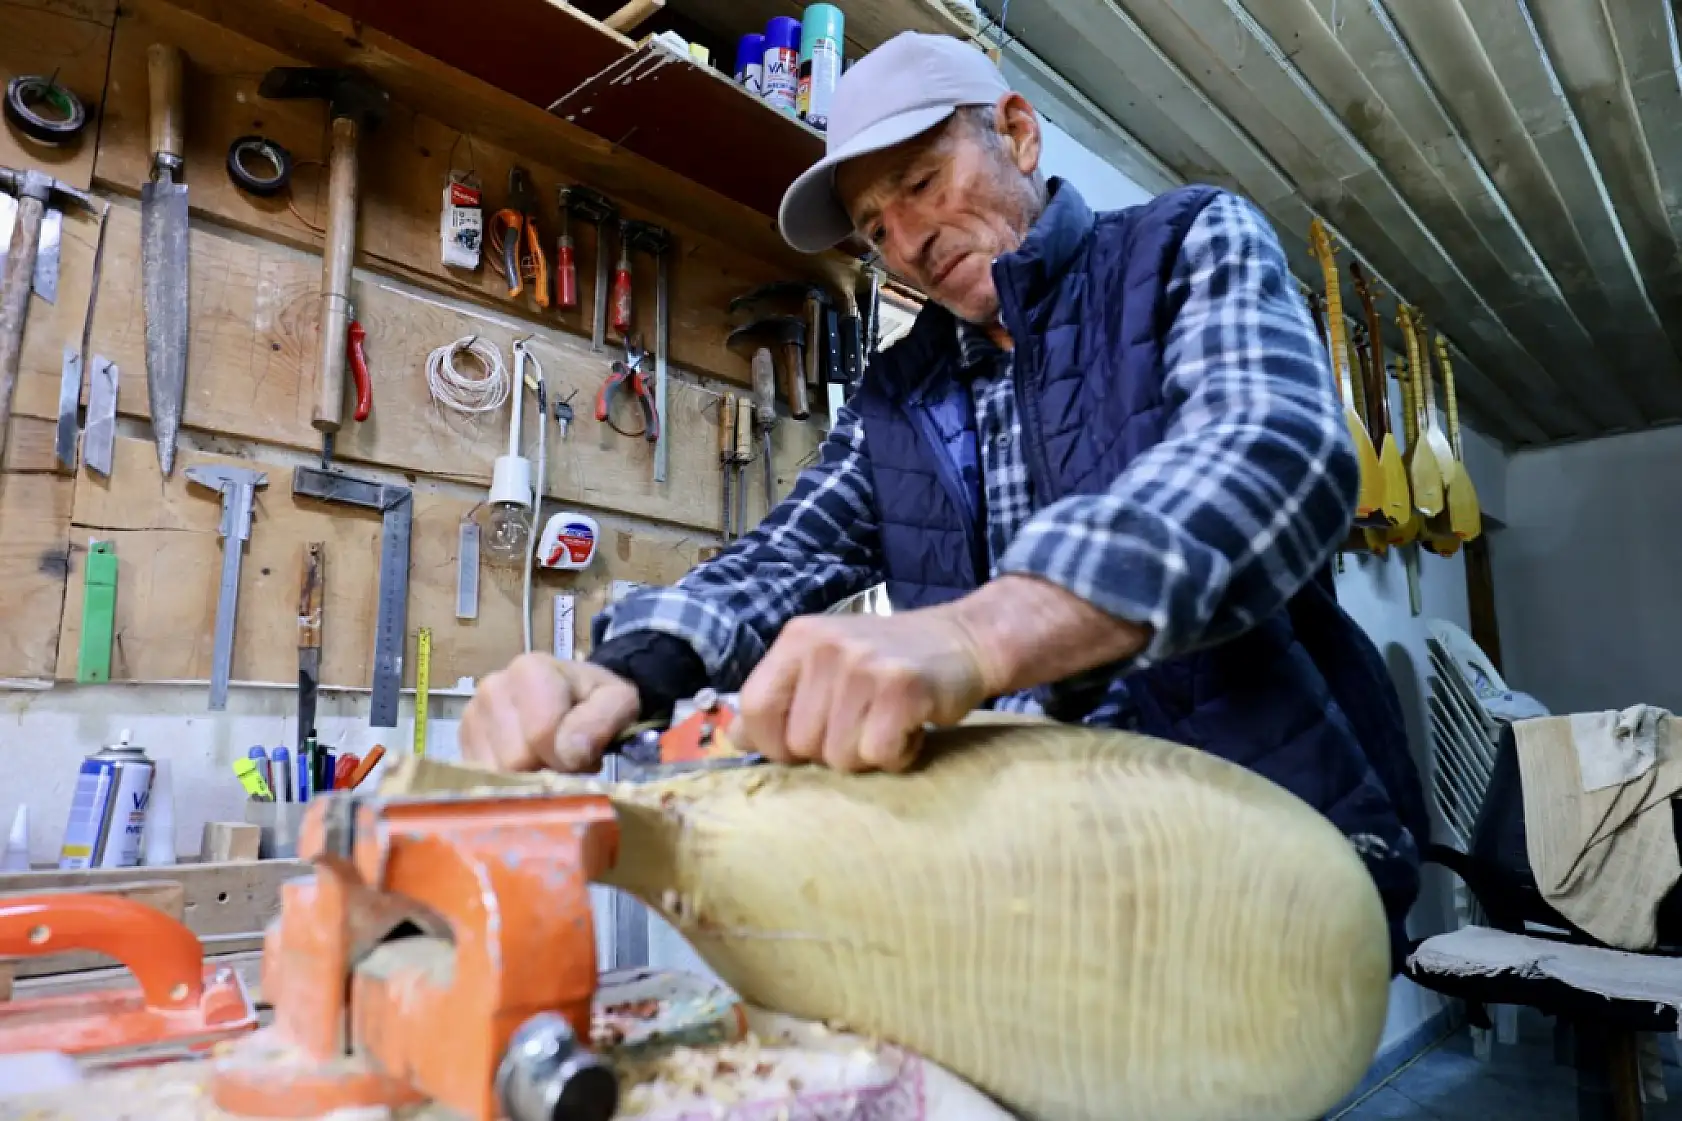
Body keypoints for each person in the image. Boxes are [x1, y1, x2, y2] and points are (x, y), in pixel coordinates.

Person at [462, 31, 1427, 962]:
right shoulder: (898, 391)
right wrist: (621, 670)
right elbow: (783, 555)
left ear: (1016, 131)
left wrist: (981, 634)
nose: (910, 243)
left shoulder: (1184, 243)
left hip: (1255, 845)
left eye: (921, 184)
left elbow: (1271, 452)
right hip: (1022, 874)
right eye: (876, 228)